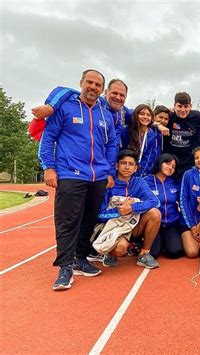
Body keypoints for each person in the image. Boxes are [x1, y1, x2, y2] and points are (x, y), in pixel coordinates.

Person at [38, 69, 117, 290]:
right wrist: (48, 167)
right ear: (81, 83)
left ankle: (81, 258)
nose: (93, 87)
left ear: (102, 89)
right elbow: (49, 137)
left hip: (98, 175)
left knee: (89, 219)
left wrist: (109, 170)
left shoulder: (106, 113)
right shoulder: (65, 106)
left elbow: (111, 145)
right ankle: (65, 266)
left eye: (98, 84)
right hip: (69, 173)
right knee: (67, 221)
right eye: (90, 82)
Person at [96, 149, 161, 268]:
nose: (127, 167)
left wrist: (132, 207)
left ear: (136, 168)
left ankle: (144, 254)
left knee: (155, 213)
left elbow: (155, 201)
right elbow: (99, 214)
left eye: (131, 164)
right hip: (113, 226)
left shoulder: (139, 182)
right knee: (120, 249)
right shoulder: (108, 184)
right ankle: (110, 253)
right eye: (123, 163)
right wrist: (119, 211)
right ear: (116, 165)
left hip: (133, 225)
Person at [30, 79, 131, 145]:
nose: (118, 97)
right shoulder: (96, 101)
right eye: (114, 93)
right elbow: (66, 90)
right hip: (79, 155)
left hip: (109, 160)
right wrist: (50, 106)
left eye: (122, 95)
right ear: (105, 92)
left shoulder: (123, 111)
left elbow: (140, 113)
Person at [144, 153, 185, 259]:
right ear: (159, 163)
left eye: (173, 166)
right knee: (153, 254)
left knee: (175, 251)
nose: (170, 168)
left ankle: (164, 242)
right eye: (168, 163)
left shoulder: (175, 182)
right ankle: (143, 242)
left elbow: (183, 201)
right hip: (153, 225)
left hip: (170, 224)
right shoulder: (146, 181)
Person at [163, 92, 200, 178]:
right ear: (174, 105)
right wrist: (159, 126)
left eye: (186, 106)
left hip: (189, 163)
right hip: (170, 162)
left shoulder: (197, 116)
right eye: (180, 106)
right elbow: (151, 119)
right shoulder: (168, 115)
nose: (183, 110)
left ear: (190, 106)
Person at [121, 104, 161, 176]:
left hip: (139, 170)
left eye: (148, 115)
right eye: (142, 114)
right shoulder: (126, 131)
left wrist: (139, 174)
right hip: (123, 169)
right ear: (136, 115)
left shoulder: (151, 134)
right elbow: (120, 151)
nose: (145, 117)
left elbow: (147, 157)